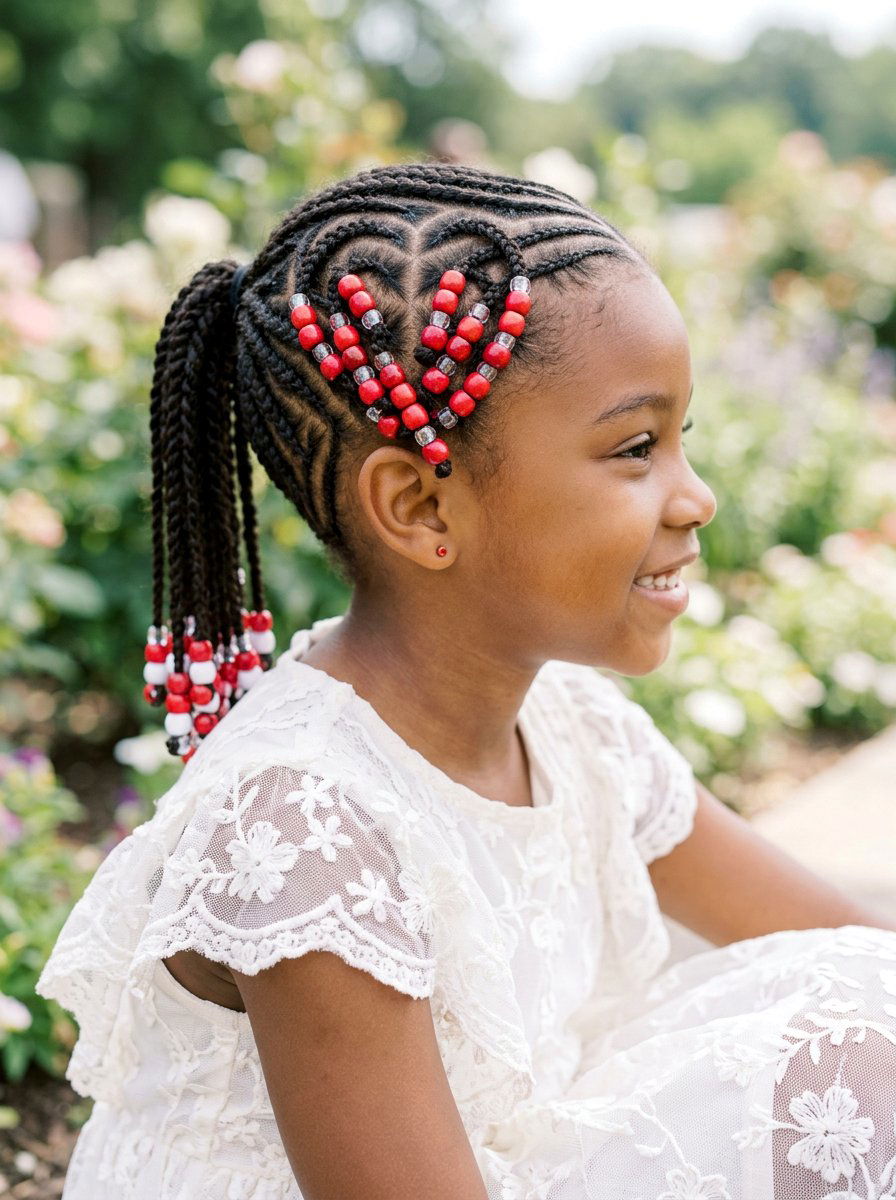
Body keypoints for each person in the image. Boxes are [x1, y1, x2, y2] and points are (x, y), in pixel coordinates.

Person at [36, 161, 896, 1200]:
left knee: (859, 1007)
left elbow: (847, 945)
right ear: (420, 509)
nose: (695, 498)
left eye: (683, 442)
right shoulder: (310, 821)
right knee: (849, 1068)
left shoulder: (572, 727)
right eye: (635, 448)